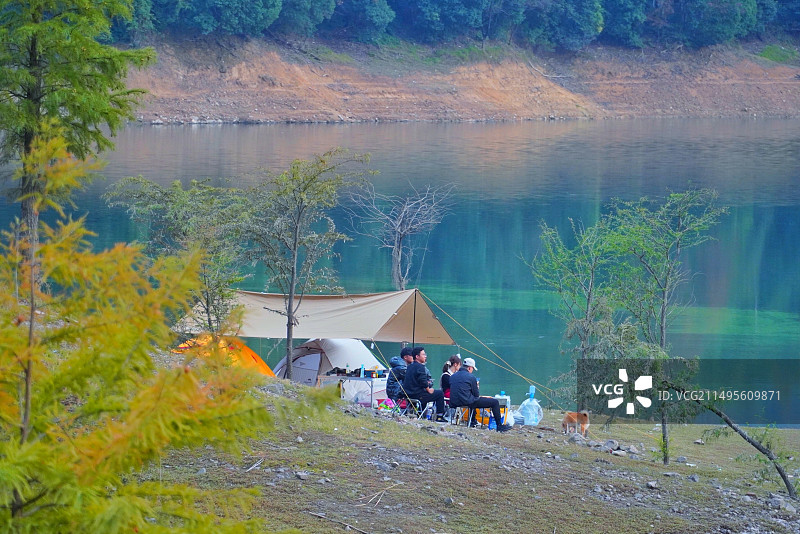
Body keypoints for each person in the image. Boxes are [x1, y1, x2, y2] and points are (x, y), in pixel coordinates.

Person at [449, 357, 511, 432]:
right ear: (469, 368)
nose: (472, 371)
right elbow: (476, 395)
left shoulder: (452, 376)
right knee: (494, 402)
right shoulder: (471, 377)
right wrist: (477, 386)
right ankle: (499, 426)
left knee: (471, 399)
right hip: (467, 402)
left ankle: (472, 421)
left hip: (454, 402)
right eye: (472, 369)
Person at [402, 346, 447, 422]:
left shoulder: (410, 366)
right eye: (423, 354)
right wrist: (429, 389)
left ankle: (421, 415)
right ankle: (439, 416)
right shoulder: (420, 367)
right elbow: (423, 381)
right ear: (417, 356)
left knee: (425, 394)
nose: (425, 356)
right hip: (417, 395)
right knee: (439, 394)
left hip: (408, 394)